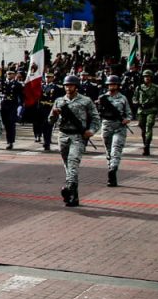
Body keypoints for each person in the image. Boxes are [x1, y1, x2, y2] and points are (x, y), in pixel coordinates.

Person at [51, 75, 100, 208]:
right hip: (63, 135)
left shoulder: (86, 101)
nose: (68, 88)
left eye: (71, 85)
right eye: (66, 85)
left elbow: (96, 119)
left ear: (76, 86)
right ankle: (74, 196)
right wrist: (54, 114)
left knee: (73, 162)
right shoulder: (59, 101)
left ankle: (68, 188)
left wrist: (92, 131)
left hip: (78, 136)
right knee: (67, 165)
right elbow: (51, 120)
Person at [98, 75, 133, 187]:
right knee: (109, 152)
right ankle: (111, 176)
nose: (111, 86)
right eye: (110, 84)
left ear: (118, 86)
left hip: (119, 127)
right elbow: (97, 113)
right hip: (106, 126)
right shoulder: (103, 98)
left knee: (116, 149)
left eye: (114, 84)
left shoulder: (123, 98)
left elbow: (129, 113)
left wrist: (127, 120)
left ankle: (113, 168)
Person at [132, 70, 158, 156]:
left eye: (148, 76)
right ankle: (145, 142)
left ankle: (147, 146)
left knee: (148, 127)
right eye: (145, 76)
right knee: (142, 128)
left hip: (151, 110)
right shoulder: (139, 88)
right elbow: (134, 98)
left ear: (151, 77)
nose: (147, 78)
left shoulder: (156, 88)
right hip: (141, 110)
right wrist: (136, 103)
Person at [0, 69, 22, 149]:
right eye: (8, 74)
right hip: (3, 105)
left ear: (14, 75)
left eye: (11, 74)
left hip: (12, 106)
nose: (9, 75)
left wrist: (20, 106)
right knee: (3, 124)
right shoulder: (2, 83)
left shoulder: (17, 84)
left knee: (11, 124)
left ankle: (10, 142)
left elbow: (21, 96)